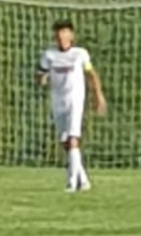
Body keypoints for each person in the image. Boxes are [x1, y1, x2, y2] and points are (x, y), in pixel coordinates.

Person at [38, 20, 106, 192]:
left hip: (75, 100)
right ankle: (83, 180)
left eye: (64, 34)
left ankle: (71, 182)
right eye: (58, 35)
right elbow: (41, 74)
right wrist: (42, 79)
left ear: (71, 36)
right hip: (57, 101)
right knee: (65, 142)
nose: (61, 38)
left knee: (73, 138)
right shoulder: (49, 55)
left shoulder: (80, 54)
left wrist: (98, 96)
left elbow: (91, 74)